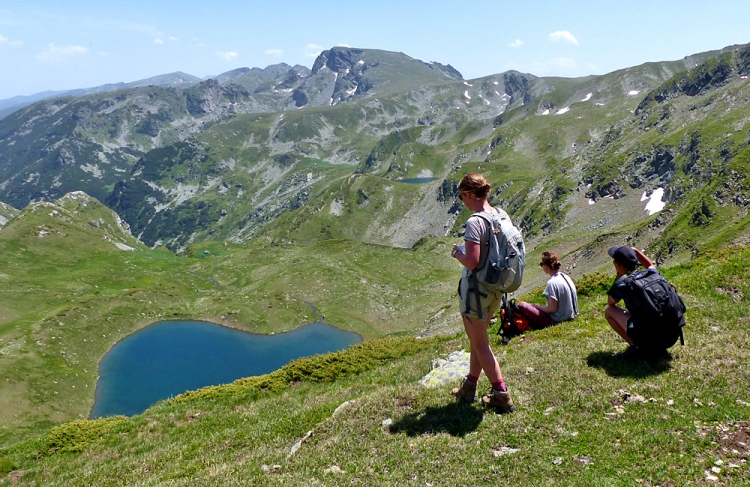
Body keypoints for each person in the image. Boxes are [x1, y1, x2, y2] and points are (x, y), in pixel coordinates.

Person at [449, 173, 514, 413]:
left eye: (461, 197)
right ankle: (470, 386)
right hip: (495, 288)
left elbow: (473, 261)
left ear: (468, 194)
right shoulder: (500, 214)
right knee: (478, 341)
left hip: (477, 291)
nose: (462, 202)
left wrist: (458, 253)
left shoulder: (475, 222)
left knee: (481, 344)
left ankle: (501, 394)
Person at [604, 245, 662, 357]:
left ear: (618, 265)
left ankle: (637, 347)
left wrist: (619, 277)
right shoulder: (652, 274)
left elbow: (611, 302)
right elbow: (650, 264)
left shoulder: (624, 284)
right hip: (669, 335)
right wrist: (636, 251)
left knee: (609, 312)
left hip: (652, 340)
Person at [515, 251, 578, 328]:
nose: (542, 266)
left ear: (547, 267)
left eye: (542, 264)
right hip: (571, 316)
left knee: (522, 305)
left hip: (557, 320)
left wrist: (536, 307)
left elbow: (552, 309)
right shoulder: (566, 277)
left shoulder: (552, 283)